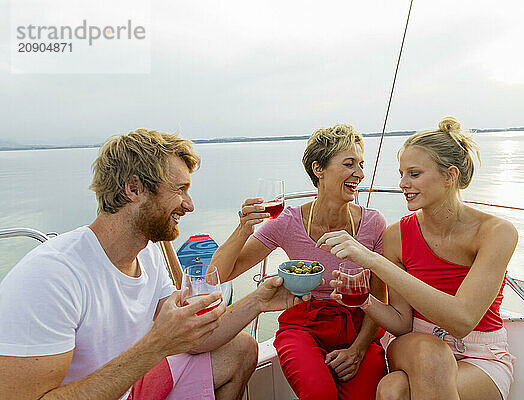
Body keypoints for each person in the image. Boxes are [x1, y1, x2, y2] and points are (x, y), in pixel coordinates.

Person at [0, 129, 308, 400]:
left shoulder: (146, 254)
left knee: (241, 348)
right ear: (133, 189)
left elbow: (196, 340)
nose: (190, 205)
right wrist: (155, 345)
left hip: (131, 386)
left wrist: (258, 301)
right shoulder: (50, 277)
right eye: (180, 189)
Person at [317, 117, 518, 400]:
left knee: (393, 390)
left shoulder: (496, 232)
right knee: (429, 352)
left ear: (450, 176)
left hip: (480, 354)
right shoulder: (397, 235)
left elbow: (462, 321)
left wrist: (375, 262)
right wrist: (365, 299)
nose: (402, 184)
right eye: (401, 174)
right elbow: (401, 323)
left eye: (414, 174)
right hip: (413, 345)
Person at [211, 124, 388, 400]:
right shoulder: (287, 221)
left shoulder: (374, 223)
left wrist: (358, 350)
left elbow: (380, 299)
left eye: (361, 164)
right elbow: (220, 274)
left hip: (357, 328)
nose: (360, 174)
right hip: (304, 323)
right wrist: (243, 228)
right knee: (320, 395)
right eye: (349, 163)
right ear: (319, 169)